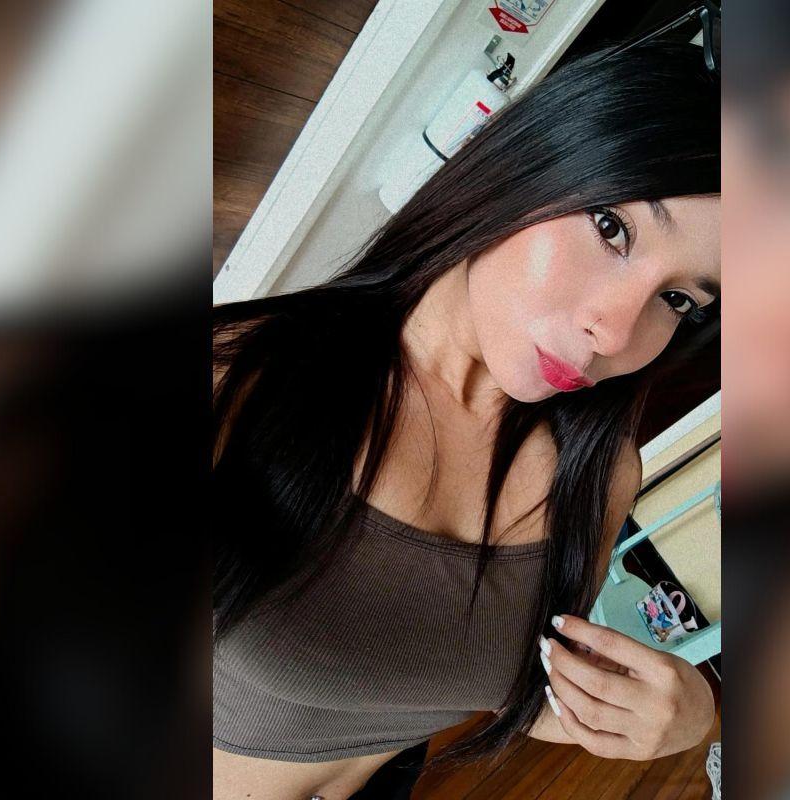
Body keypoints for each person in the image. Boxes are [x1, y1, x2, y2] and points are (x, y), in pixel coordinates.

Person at [212, 40, 720, 800]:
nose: (615, 332)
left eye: (677, 299)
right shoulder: (239, 382)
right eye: (612, 229)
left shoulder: (602, 474)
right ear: (527, 168)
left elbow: (502, 685)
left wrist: (687, 716)